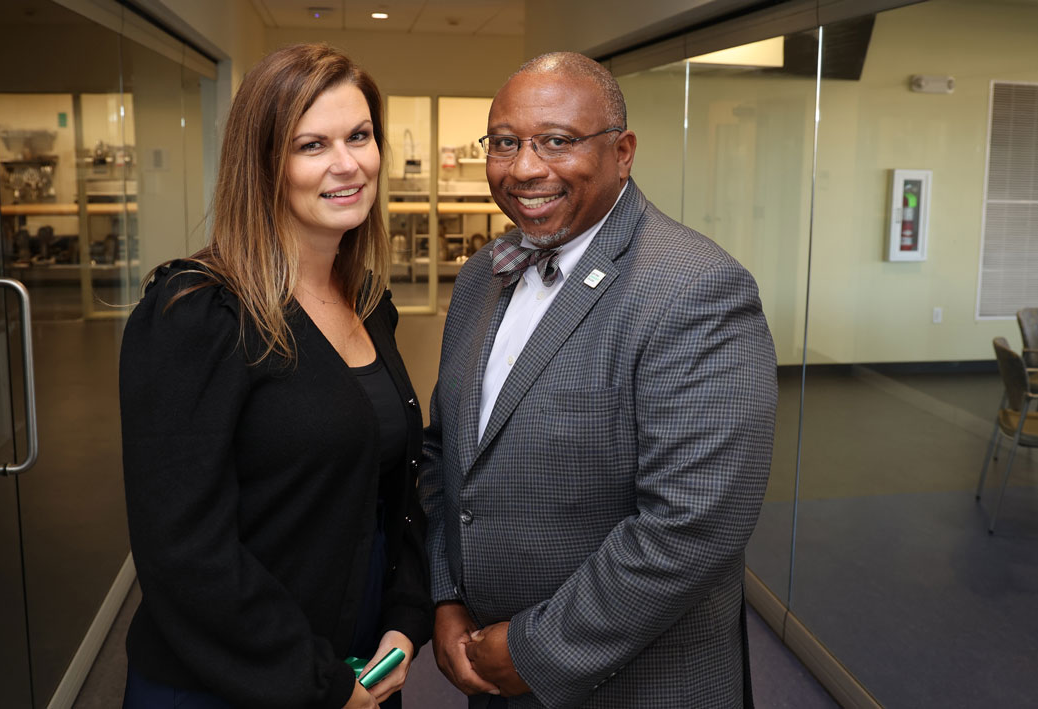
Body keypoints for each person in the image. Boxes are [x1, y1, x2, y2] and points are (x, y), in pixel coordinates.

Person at [419, 52, 778, 708]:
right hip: (489, 665)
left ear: (622, 151)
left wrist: (534, 649)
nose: (524, 167)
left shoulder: (695, 289)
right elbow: (446, 455)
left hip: (633, 683)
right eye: (504, 143)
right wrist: (445, 595)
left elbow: (692, 523)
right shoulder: (479, 277)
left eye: (556, 141)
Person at [119, 43, 432, 709]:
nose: (347, 163)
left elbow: (391, 486)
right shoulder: (196, 314)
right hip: (230, 681)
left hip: (355, 664)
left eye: (359, 135)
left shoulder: (368, 301)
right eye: (311, 145)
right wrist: (319, 683)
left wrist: (406, 617)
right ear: (263, 164)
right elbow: (183, 551)